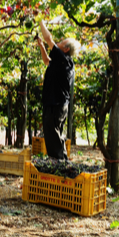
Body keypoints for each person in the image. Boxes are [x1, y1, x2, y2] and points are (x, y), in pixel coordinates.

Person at [36, 19, 80, 160]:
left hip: (56, 104)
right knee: (53, 133)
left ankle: (59, 163)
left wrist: (40, 21)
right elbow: (47, 61)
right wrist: (41, 46)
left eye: (61, 42)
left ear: (66, 49)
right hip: (56, 104)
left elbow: (49, 38)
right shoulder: (62, 62)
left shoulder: (64, 59)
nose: (58, 43)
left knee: (53, 134)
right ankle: (60, 162)